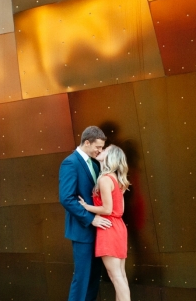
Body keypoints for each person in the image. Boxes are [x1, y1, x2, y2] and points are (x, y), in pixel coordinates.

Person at [59, 126, 112, 301]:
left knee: (94, 278)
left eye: (102, 147)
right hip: (82, 231)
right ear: (86, 142)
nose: (100, 150)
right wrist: (91, 219)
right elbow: (67, 198)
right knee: (81, 278)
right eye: (98, 147)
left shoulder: (95, 164)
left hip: (99, 231)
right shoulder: (70, 162)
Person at [78, 145, 131, 301]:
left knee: (115, 276)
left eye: (105, 150)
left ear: (110, 157)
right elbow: (118, 209)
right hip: (118, 226)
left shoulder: (105, 178)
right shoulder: (116, 179)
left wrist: (87, 207)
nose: (101, 151)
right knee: (120, 274)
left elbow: (107, 209)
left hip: (108, 227)